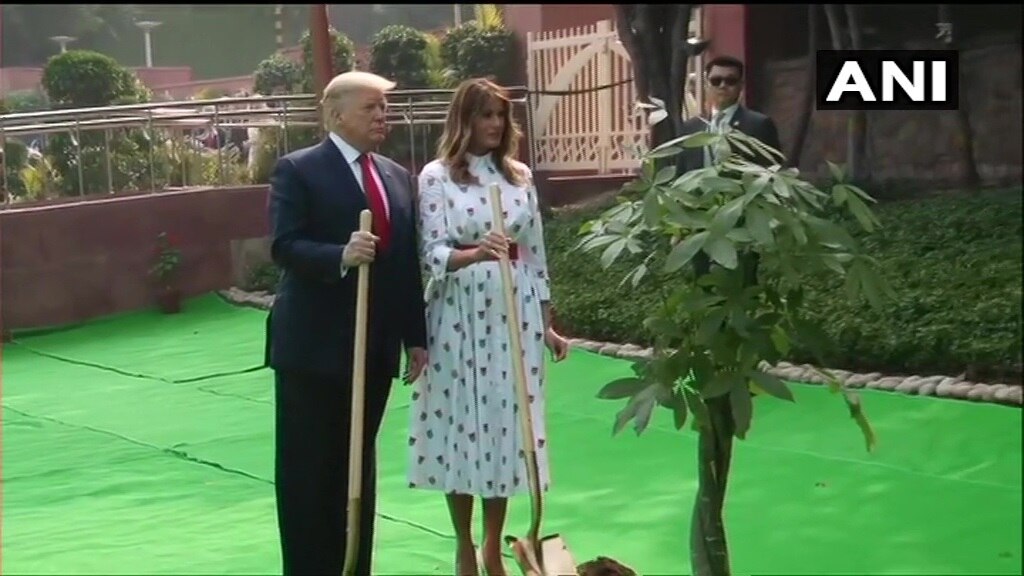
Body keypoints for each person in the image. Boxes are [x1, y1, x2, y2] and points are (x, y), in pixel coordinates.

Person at [265, 70, 429, 576]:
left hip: (373, 347)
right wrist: (340, 253)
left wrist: (415, 339)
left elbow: (404, 263)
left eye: (385, 107)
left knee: (358, 467)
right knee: (310, 472)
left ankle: (355, 565)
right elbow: (284, 245)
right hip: (313, 349)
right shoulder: (298, 170)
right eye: (370, 108)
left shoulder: (397, 177)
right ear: (335, 114)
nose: (382, 116)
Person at [408, 77, 570, 576]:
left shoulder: (518, 176)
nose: (495, 125)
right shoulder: (437, 177)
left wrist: (547, 323)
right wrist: (475, 253)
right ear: (464, 120)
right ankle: (462, 544)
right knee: (462, 425)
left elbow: (537, 253)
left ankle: (493, 542)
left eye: (501, 115)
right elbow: (431, 250)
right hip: (458, 312)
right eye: (485, 115)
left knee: (504, 428)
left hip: (512, 312)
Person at [675, 55, 783, 175]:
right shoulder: (691, 127)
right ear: (706, 84)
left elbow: (771, 172)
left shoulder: (759, 124)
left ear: (741, 85)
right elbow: (681, 173)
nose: (723, 85)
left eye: (730, 81)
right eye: (716, 81)